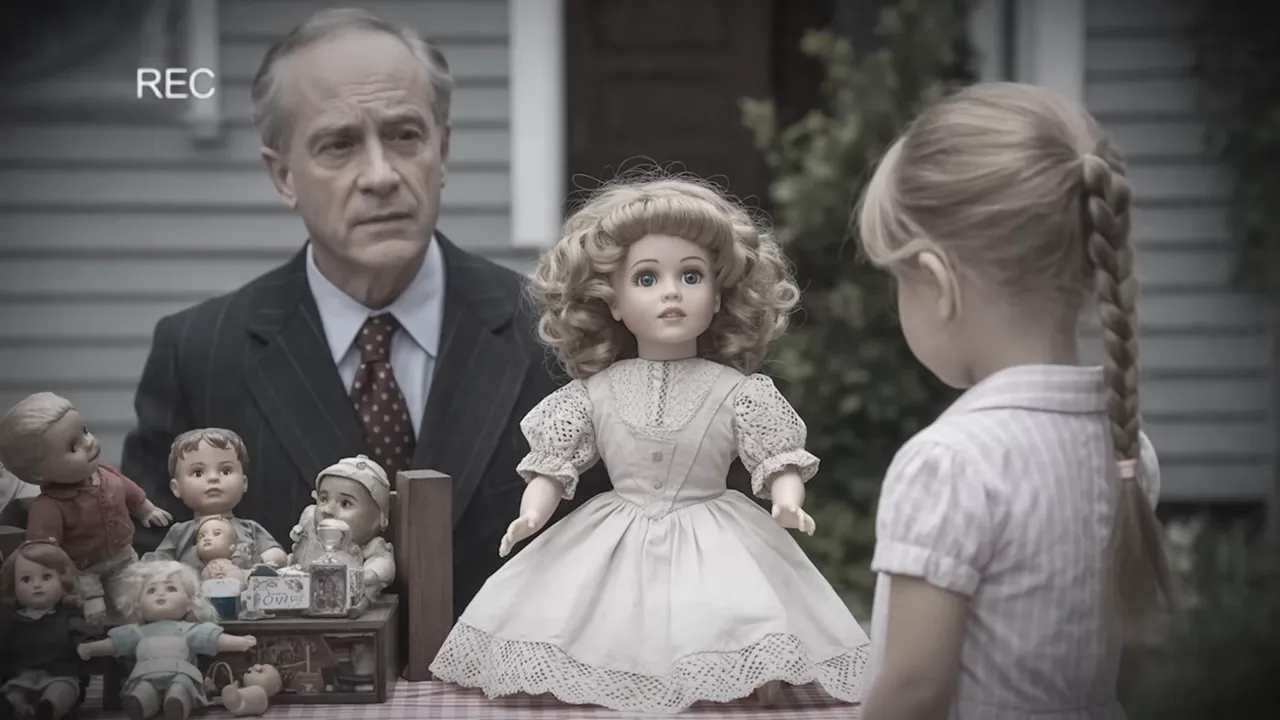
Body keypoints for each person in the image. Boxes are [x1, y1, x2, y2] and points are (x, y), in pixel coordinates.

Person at [120, 8, 608, 616]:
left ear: (444, 151)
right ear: (283, 176)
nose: (380, 175)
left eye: (405, 135)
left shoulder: (560, 336)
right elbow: (152, 568)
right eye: (339, 144)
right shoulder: (198, 353)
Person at [428, 177, 871, 713]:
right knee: (610, 618)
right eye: (646, 277)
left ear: (718, 297)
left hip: (715, 526)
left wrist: (786, 498)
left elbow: (775, 453)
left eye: (691, 276)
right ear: (612, 303)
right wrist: (534, 512)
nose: (671, 292)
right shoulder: (591, 394)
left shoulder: (740, 392)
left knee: (731, 613)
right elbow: (553, 464)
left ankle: (736, 683)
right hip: (619, 524)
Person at [853, 82, 1172, 720]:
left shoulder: (949, 464)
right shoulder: (1128, 449)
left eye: (897, 280)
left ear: (938, 283)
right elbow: (1125, 659)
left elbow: (914, 690)